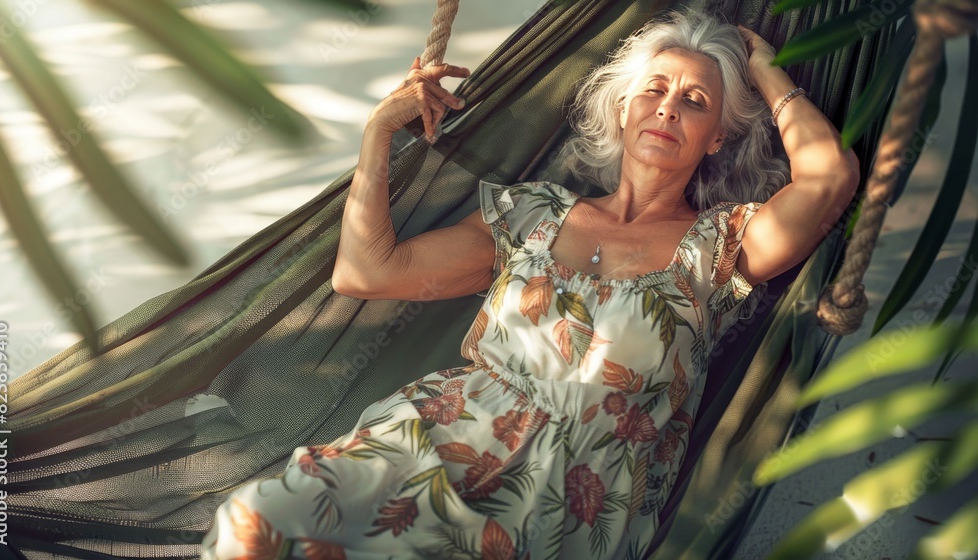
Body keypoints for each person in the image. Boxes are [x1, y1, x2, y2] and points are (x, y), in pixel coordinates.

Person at [200, 9, 859, 559]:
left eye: (695, 102)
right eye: (654, 89)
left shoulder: (723, 245)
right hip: (438, 436)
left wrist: (768, 70)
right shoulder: (531, 215)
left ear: (717, 137)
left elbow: (828, 179)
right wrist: (378, 136)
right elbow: (366, 272)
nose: (666, 110)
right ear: (624, 106)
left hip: (571, 496)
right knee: (253, 521)